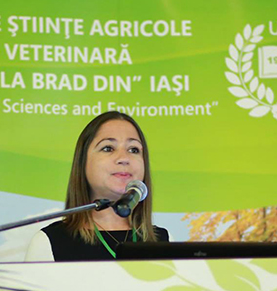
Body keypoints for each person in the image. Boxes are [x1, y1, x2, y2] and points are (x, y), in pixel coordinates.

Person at [25, 111, 169, 261]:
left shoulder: (163, 241)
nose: (124, 158)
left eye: (133, 149)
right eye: (108, 148)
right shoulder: (49, 242)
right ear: (83, 162)